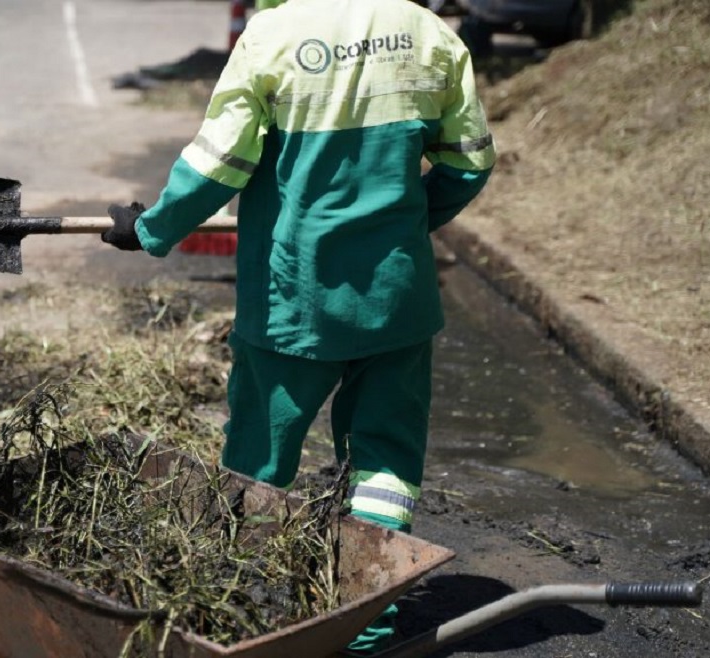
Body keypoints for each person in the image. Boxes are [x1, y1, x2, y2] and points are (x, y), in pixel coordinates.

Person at [102, 0, 495, 652]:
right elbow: (471, 162)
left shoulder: (273, 36)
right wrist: (408, 225)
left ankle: (242, 605)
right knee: (386, 465)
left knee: (258, 465)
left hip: (294, 305)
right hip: (395, 304)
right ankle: (367, 626)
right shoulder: (428, 34)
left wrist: (148, 228)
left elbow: (217, 165)